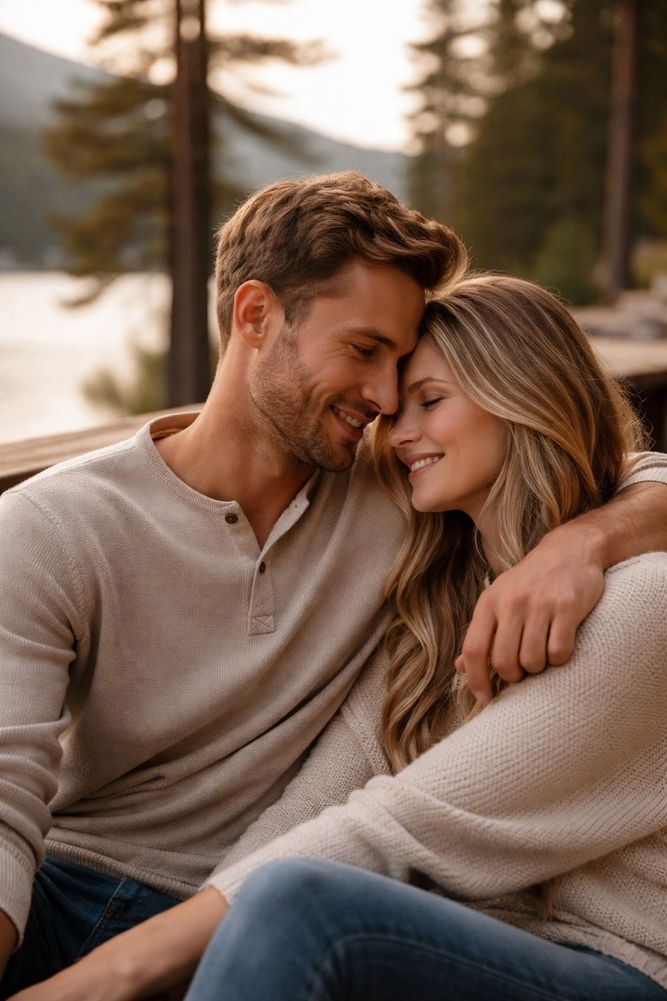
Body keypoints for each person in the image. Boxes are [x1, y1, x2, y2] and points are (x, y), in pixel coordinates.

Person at [1, 178, 667, 996]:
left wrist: (585, 540)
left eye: (416, 384)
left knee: (293, 906)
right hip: (102, 887)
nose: (387, 405)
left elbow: (386, 826)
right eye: (364, 353)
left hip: (491, 940)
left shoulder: (408, 492)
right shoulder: (53, 523)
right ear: (254, 317)